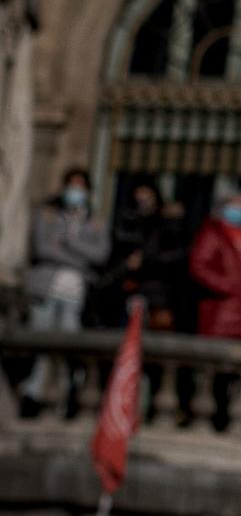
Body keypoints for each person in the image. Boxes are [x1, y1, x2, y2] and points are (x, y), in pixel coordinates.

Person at [23, 168, 109, 404]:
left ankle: (62, 394)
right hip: (45, 286)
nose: (75, 191)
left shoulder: (96, 222)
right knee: (41, 343)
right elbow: (43, 249)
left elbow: (100, 255)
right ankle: (34, 393)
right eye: (72, 185)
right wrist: (81, 259)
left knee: (67, 344)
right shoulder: (48, 214)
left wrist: (69, 242)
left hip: (76, 290)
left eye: (80, 186)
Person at [103, 181, 185, 329]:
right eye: (138, 195)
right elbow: (111, 256)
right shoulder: (126, 222)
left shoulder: (167, 225)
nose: (142, 199)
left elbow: (176, 255)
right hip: (126, 290)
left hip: (157, 292)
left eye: (146, 194)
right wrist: (126, 265)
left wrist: (146, 261)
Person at [188, 191, 241, 341]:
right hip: (221, 313)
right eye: (234, 205)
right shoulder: (214, 233)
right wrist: (226, 285)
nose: (238, 210)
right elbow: (198, 265)